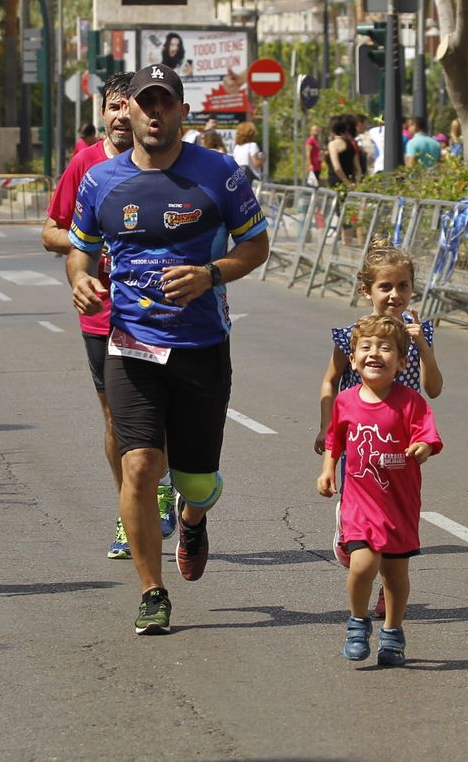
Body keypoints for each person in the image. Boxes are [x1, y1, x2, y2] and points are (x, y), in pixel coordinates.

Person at [67, 63, 270, 635]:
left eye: (165, 103)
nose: (154, 114)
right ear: (125, 112)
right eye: (143, 103)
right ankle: (152, 591)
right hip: (131, 344)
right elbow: (79, 250)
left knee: (196, 480)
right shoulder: (100, 182)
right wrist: (79, 279)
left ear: (183, 111)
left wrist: (211, 273)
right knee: (139, 466)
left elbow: (257, 247)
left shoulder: (221, 174)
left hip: (202, 344)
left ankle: (194, 516)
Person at [42, 73, 177, 559]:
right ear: (104, 113)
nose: (123, 115)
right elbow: (52, 232)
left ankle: (161, 485)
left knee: (167, 412)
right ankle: (131, 512)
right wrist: (89, 245)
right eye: (114, 106)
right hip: (105, 315)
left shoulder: (167, 161)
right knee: (116, 418)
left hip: (163, 311)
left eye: (130, 106)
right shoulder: (86, 165)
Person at [313, 236, 443, 615]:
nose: (394, 295)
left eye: (403, 286)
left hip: (401, 443)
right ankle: (350, 532)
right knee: (362, 512)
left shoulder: (420, 334)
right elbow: (329, 381)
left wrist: (424, 350)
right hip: (359, 441)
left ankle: (390, 583)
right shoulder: (352, 337)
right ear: (366, 289)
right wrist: (326, 426)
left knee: (399, 514)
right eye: (385, 286)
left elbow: (433, 389)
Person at [317, 313, 443, 667]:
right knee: (362, 564)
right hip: (359, 503)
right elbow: (335, 439)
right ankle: (358, 622)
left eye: (385, 348)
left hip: (399, 504)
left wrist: (424, 448)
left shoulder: (411, 402)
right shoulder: (345, 401)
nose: (375, 353)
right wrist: (328, 469)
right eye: (366, 347)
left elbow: (428, 436)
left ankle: (393, 631)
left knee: (395, 575)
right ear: (354, 360)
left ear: (402, 362)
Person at [326, 116, 359, 187]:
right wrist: (356, 184)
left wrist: (347, 183)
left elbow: (337, 168)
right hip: (352, 181)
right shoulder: (351, 144)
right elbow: (358, 168)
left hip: (337, 183)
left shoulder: (333, 144)